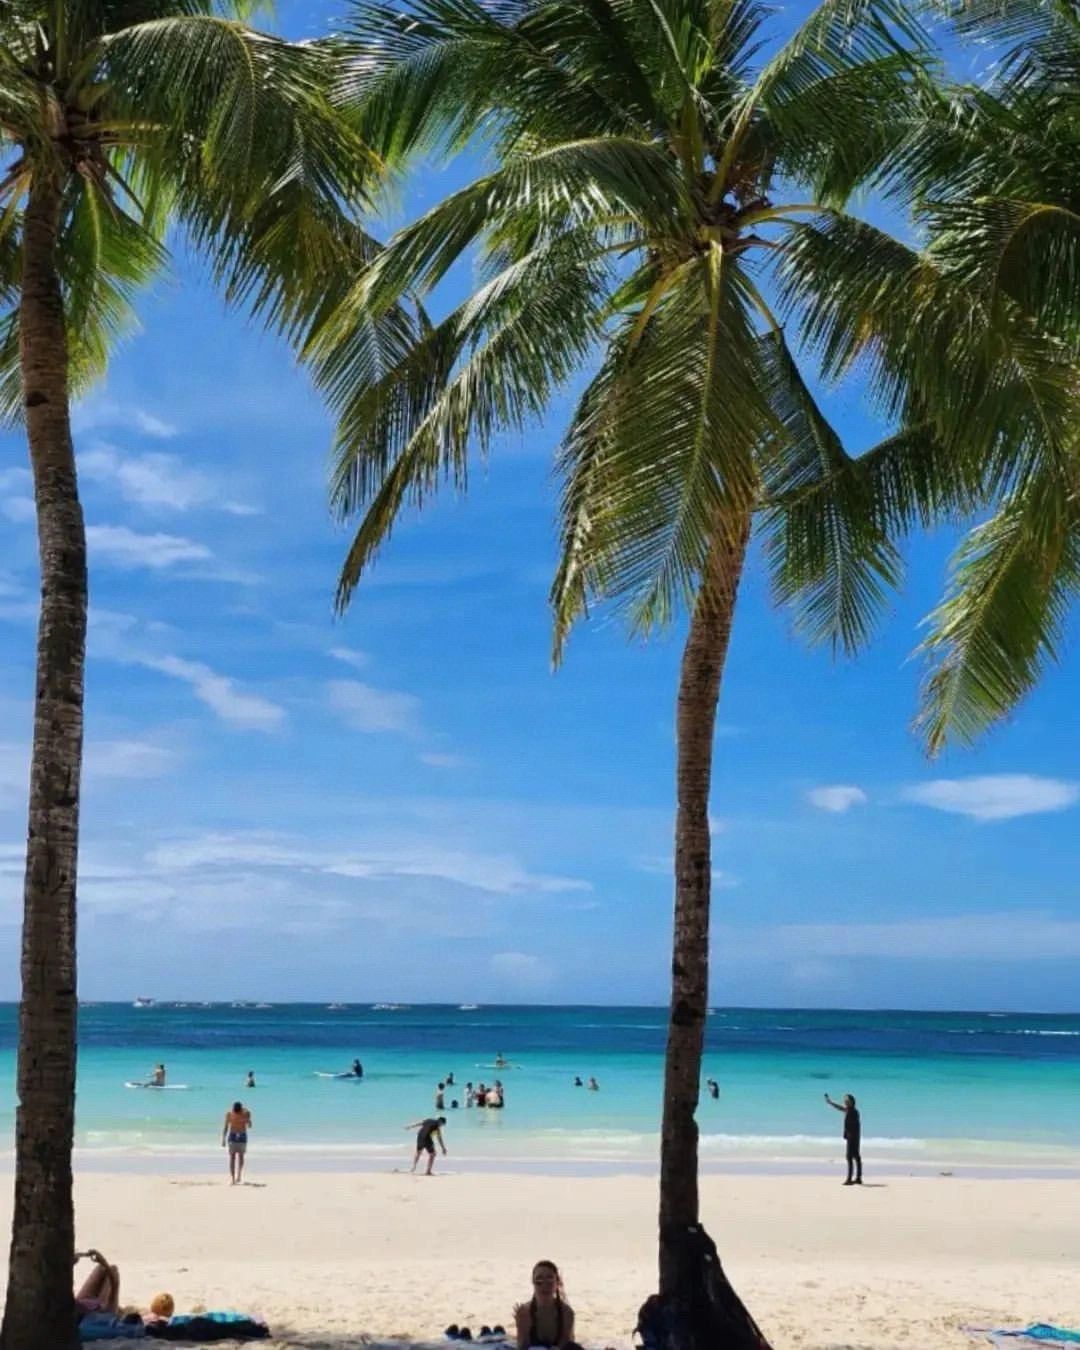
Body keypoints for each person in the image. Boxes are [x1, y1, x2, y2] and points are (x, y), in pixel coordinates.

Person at [514, 1259, 576, 1350]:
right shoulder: (525, 1312)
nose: (544, 1285)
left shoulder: (566, 1313)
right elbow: (522, 1347)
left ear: (557, 1282)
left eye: (550, 1279)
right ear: (533, 1283)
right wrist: (523, 1329)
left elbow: (566, 1345)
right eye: (539, 1280)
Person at [824, 1092, 862, 1185]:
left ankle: (850, 1179)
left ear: (852, 1102)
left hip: (853, 1137)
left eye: (847, 1100)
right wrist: (830, 1102)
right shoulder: (849, 1110)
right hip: (852, 1137)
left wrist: (850, 1135)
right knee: (855, 1157)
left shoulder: (853, 1112)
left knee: (850, 1157)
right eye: (845, 1100)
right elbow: (840, 1108)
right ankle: (858, 1178)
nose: (845, 1102)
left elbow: (854, 1125)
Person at [75, 1250, 120, 1319]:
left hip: (81, 1306)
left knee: (101, 1268)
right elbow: (114, 1286)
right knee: (113, 1270)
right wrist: (104, 1262)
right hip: (100, 1310)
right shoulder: (105, 1314)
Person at [222, 1100, 252, 1184]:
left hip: (242, 1135)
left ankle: (239, 1175)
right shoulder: (229, 1114)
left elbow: (249, 1126)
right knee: (232, 1157)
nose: (237, 1113)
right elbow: (226, 1126)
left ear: (241, 1109)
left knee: (241, 1156)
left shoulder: (246, 1113)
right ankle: (232, 1178)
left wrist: (247, 1120)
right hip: (232, 1135)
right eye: (235, 1112)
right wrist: (223, 1139)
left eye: (238, 1112)